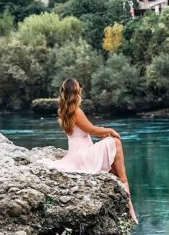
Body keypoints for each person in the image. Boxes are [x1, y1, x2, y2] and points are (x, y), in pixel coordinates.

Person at [43, 76, 138, 223]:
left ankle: (119, 180)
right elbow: (92, 130)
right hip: (83, 156)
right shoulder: (76, 111)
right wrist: (110, 130)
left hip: (77, 153)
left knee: (108, 144)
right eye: (79, 88)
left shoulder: (63, 110)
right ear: (76, 92)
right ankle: (128, 201)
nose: (81, 90)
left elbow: (85, 132)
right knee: (116, 142)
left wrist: (104, 134)